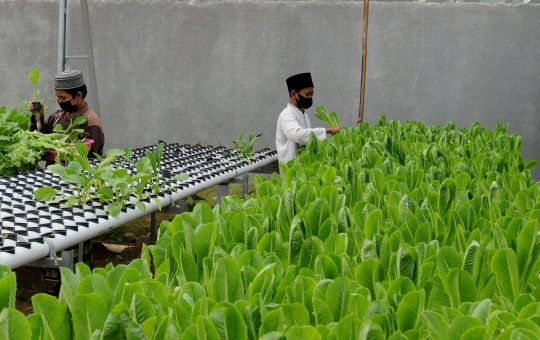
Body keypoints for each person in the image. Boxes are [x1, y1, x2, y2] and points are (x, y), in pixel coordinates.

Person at [29, 70, 105, 157]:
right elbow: (41, 136)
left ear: (78, 96)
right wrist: (38, 115)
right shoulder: (59, 114)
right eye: (58, 97)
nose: (60, 101)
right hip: (53, 169)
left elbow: (90, 157)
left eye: (63, 98)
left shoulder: (91, 121)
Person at [275, 72, 342, 163]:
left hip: (303, 165)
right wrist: (328, 130)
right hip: (290, 166)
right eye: (307, 94)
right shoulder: (287, 114)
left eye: (312, 94)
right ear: (294, 93)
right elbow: (297, 135)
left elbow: (308, 138)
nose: (310, 97)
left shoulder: (304, 115)